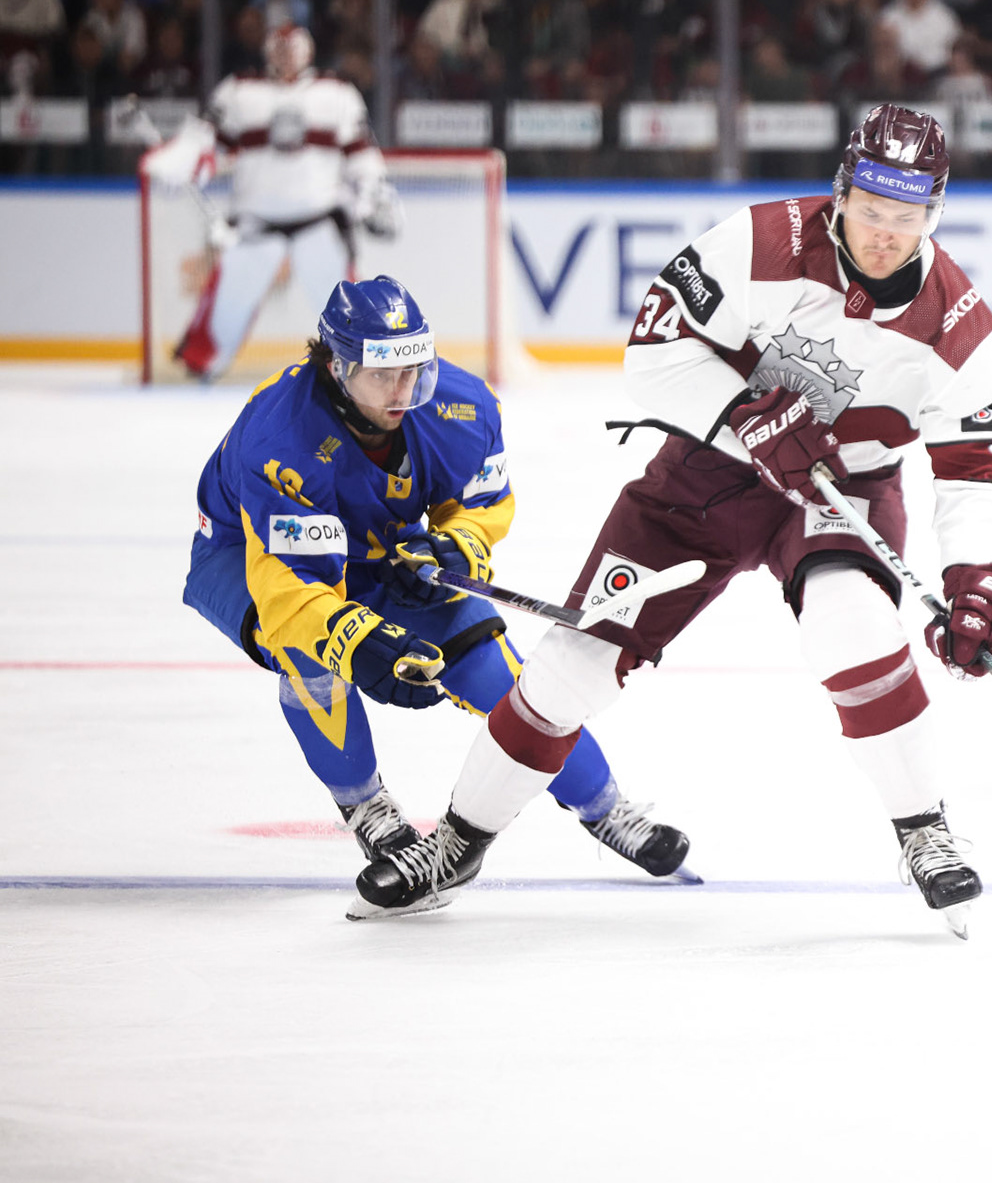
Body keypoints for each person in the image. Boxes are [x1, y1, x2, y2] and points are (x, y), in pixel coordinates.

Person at [349, 105, 992, 929]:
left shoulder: (961, 324)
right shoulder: (760, 240)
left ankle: (925, 830)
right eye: (872, 208)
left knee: (853, 627)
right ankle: (458, 840)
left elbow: (977, 470)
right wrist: (744, 416)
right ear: (843, 190)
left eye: (907, 216)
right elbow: (652, 353)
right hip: (703, 479)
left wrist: (979, 577)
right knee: (572, 665)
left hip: (840, 492)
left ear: (934, 214)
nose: (885, 233)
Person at [182, 275, 689, 887]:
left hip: (379, 544)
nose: (403, 391)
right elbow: (291, 587)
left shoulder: (460, 405)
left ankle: (606, 808)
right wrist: (353, 636)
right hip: (246, 555)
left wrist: (455, 544)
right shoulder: (279, 438)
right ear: (337, 368)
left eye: (413, 370)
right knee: (309, 657)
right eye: (382, 375)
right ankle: (366, 806)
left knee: (498, 674)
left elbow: (481, 505)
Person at [141, 24, 397, 381]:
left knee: (344, 303)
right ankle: (200, 366)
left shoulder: (336, 92)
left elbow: (361, 152)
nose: (286, 55)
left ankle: (368, 368)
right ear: (266, 51)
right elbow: (206, 137)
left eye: (293, 47)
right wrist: (182, 158)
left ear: (308, 51)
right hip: (256, 222)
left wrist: (374, 191)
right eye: (279, 47)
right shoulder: (240, 89)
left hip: (319, 221)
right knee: (228, 301)